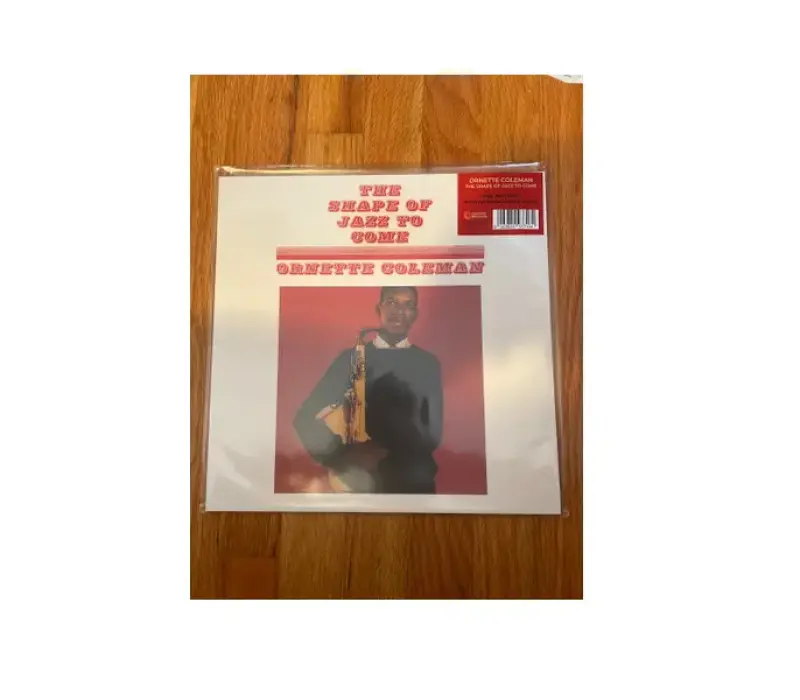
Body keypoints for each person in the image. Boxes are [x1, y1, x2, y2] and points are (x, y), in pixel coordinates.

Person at [293, 286, 443, 494]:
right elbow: (304, 418)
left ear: (415, 314)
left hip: (413, 483)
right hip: (360, 483)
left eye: (408, 305)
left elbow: (433, 434)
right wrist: (341, 458)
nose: (399, 311)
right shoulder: (350, 358)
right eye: (391, 302)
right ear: (378, 309)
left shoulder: (428, 363)